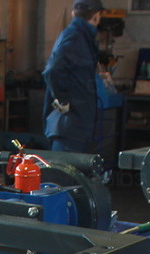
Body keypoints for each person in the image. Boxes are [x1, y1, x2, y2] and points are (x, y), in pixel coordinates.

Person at [43, 0, 103, 153]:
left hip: (76, 126)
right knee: (63, 168)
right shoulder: (75, 37)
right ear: (96, 16)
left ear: (73, 13)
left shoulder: (81, 37)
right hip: (70, 128)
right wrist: (62, 99)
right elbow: (52, 69)